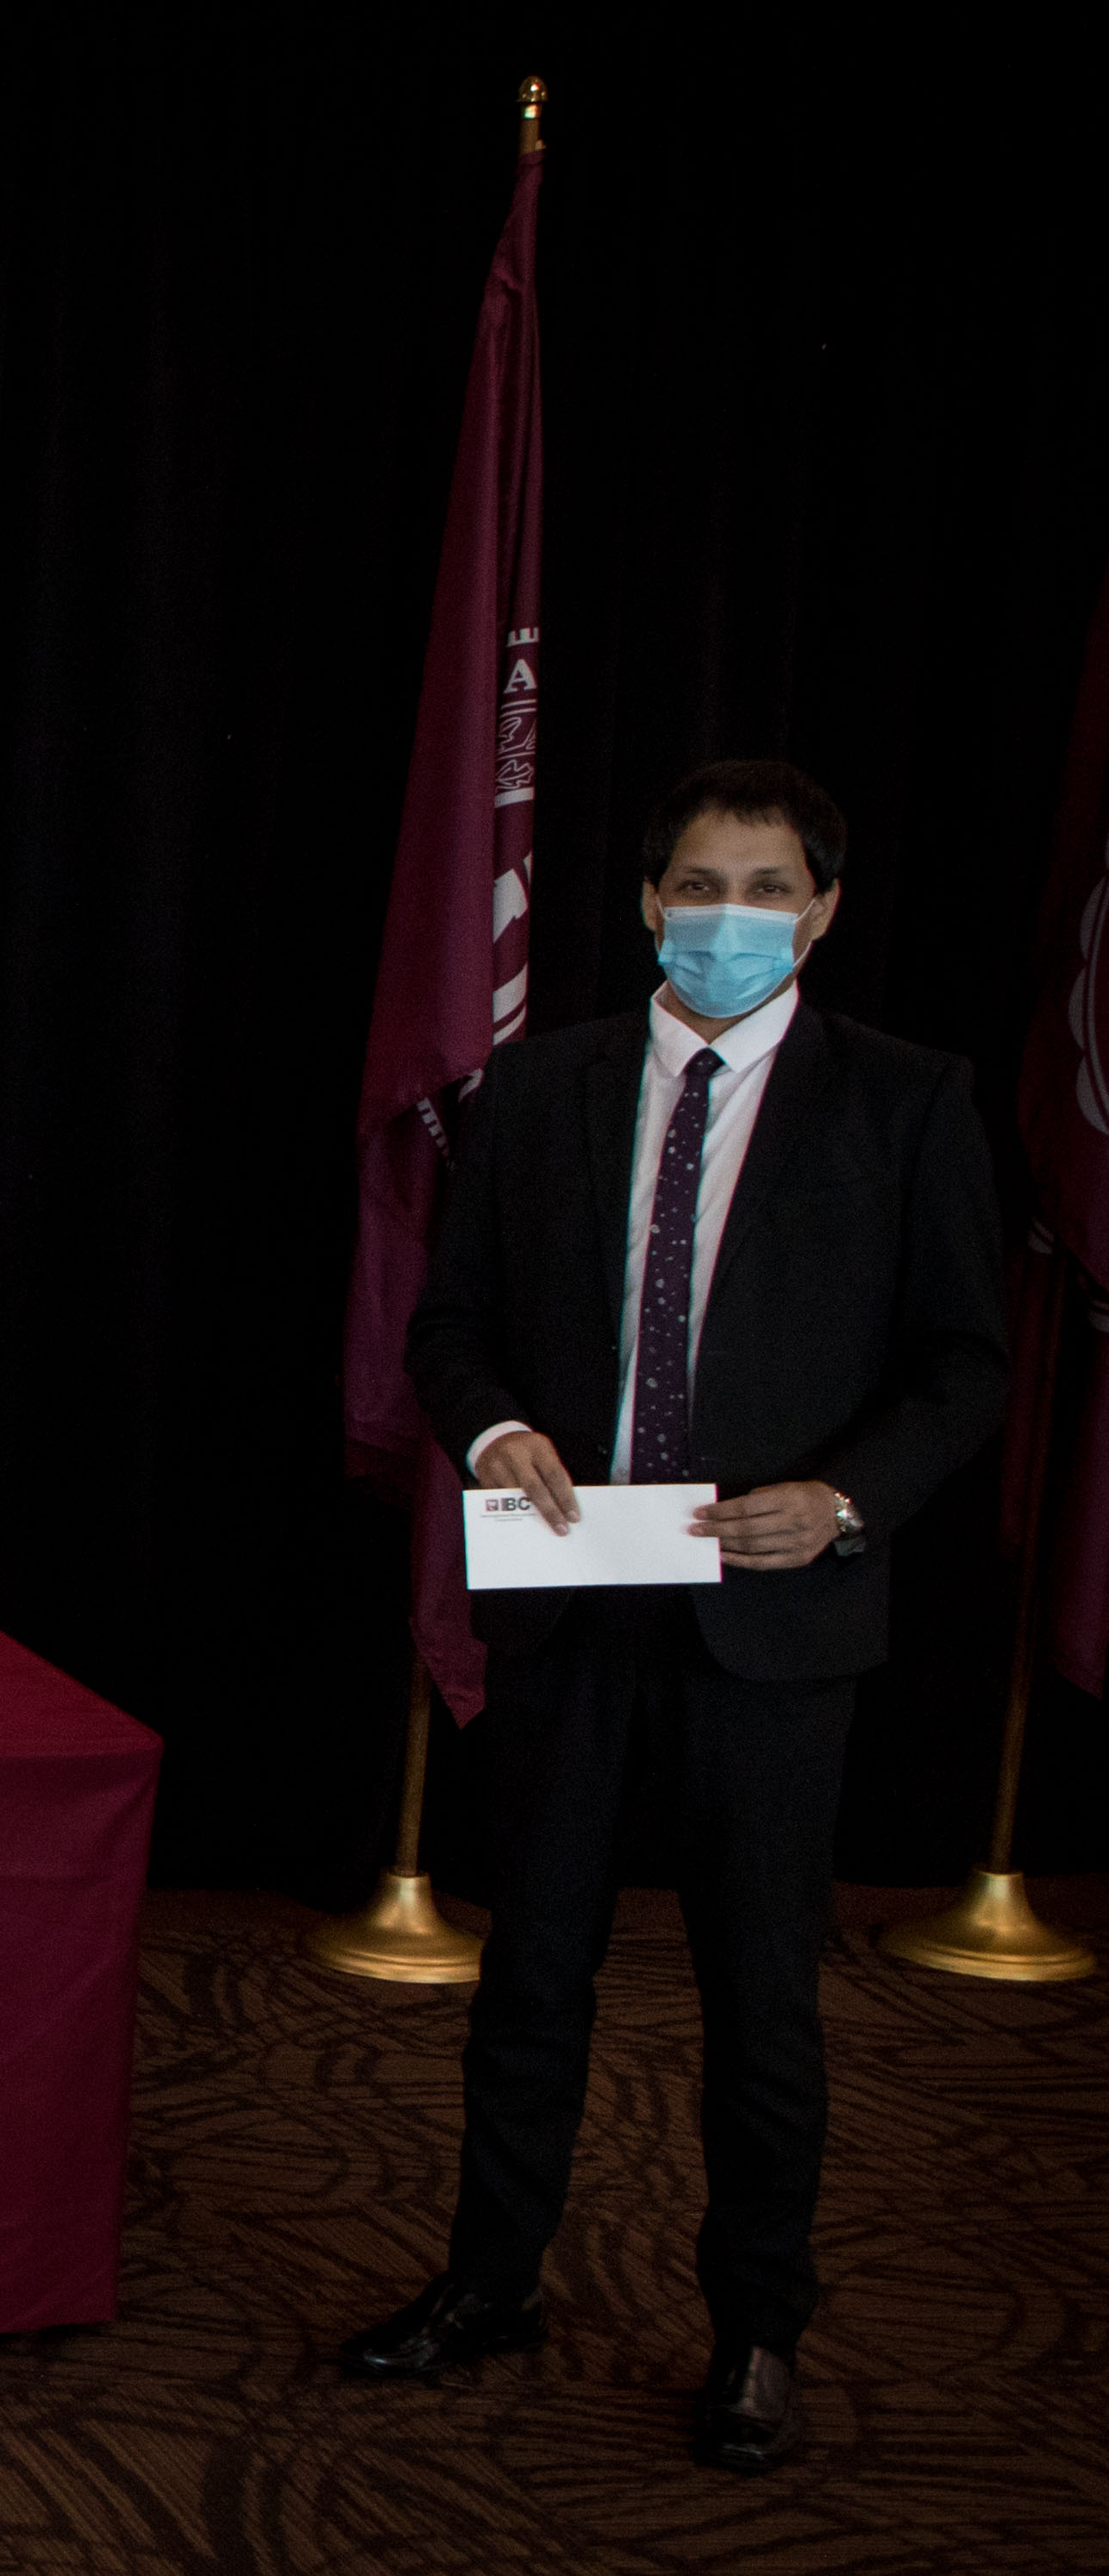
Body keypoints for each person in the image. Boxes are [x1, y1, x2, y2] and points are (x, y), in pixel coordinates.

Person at [360, 759, 1004, 2474]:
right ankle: (489, 2284)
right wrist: (496, 1428)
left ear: (824, 910)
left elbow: (964, 1362)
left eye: (770, 887)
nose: (734, 916)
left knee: (758, 1999)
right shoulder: (539, 1086)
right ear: (648, 903)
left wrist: (849, 1495)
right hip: (574, 1604)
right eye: (702, 886)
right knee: (534, 1976)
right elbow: (453, 1327)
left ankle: (753, 2333)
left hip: (775, 1617)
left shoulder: (906, 1101)